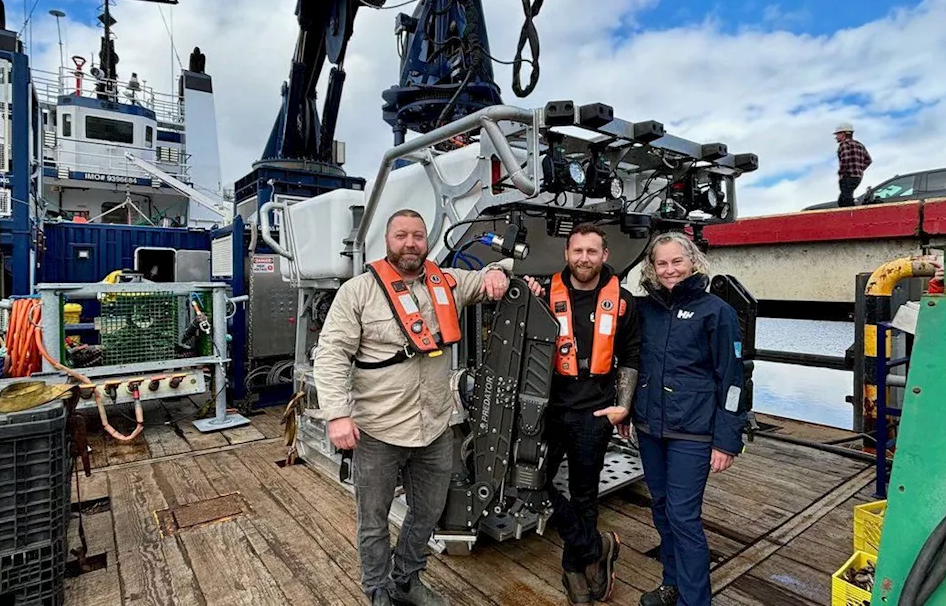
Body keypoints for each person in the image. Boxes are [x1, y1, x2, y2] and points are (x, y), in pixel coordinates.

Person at [312, 209, 511, 606]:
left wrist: (498, 273)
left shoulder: (448, 283)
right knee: (373, 521)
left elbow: (500, 268)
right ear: (387, 242)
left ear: (427, 241)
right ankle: (378, 589)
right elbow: (331, 353)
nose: (410, 244)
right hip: (377, 429)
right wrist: (337, 413)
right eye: (401, 235)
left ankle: (407, 579)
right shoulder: (358, 292)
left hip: (434, 426)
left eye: (418, 236)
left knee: (427, 512)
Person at [521, 223, 640, 604]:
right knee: (529, 480)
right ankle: (596, 546)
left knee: (584, 493)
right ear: (566, 254)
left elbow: (632, 356)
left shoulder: (623, 301)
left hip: (595, 411)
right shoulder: (543, 293)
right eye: (577, 251)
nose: (584, 258)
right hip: (549, 409)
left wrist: (623, 405)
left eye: (592, 252)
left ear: (605, 256)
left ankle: (575, 567)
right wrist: (526, 293)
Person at [632, 231, 748, 606]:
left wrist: (727, 439)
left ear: (693, 262)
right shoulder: (644, 310)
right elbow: (633, 363)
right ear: (652, 267)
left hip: (693, 434)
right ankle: (672, 585)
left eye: (676, 262)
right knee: (663, 510)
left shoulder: (717, 312)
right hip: (651, 429)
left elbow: (733, 379)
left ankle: (695, 600)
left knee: (683, 517)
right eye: (661, 263)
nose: (669, 270)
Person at [833, 123, 872, 207]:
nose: (836, 137)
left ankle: (852, 216)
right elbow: (868, 160)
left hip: (848, 176)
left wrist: (841, 173)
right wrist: (859, 169)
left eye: (837, 134)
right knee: (845, 198)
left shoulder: (844, 145)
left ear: (843, 134)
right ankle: (851, 214)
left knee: (845, 200)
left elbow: (845, 160)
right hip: (857, 177)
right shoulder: (860, 145)